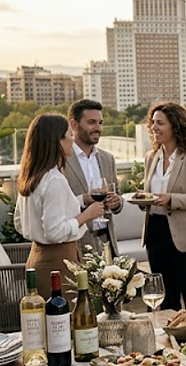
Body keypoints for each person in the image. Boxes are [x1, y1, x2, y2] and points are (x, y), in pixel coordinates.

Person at [15, 114, 105, 298]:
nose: (73, 140)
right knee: (65, 322)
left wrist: (81, 201)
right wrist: (87, 215)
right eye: (69, 135)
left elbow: (19, 221)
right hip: (58, 263)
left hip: (37, 258)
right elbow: (54, 232)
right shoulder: (54, 179)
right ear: (57, 141)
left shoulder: (32, 176)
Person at [141, 102, 186, 311]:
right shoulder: (151, 158)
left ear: (175, 126)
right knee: (163, 298)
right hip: (155, 232)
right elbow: (151, 194)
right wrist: (143, 199)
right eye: (152, 123)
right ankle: (166, 342)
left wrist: (172, 199)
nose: (154, 127)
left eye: (160, 123)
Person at [63, 99, 123, 255]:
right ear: (74, 125)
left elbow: (117, 195)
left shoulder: (108, 159)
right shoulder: (61, 160)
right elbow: (58, 205)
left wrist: (117, 202)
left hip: (106, 243)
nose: (98, 128)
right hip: (76, 244)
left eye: (100, 123)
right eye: (91, 122)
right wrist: (84, 199)